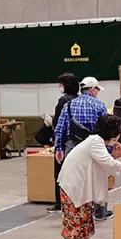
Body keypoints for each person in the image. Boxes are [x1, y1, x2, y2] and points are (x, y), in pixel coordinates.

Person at [53, 76, 111, 221]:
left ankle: (76, 211)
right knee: (97, 179)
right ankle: (100, 212)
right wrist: (108, 152)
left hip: (73, 146)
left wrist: (59, 149)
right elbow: (106, 131)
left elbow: (60, 129)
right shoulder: (100, 105)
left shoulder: (69, 105)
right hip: (94, 146)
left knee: (75, 179)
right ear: (93, 89)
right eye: (97, 90)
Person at [47, 73, 79, 214]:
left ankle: (60, 203)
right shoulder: (79, 99)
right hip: (76, 141)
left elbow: (58, 123)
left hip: (64, 141)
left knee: (60, 173)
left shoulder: (63, 100)